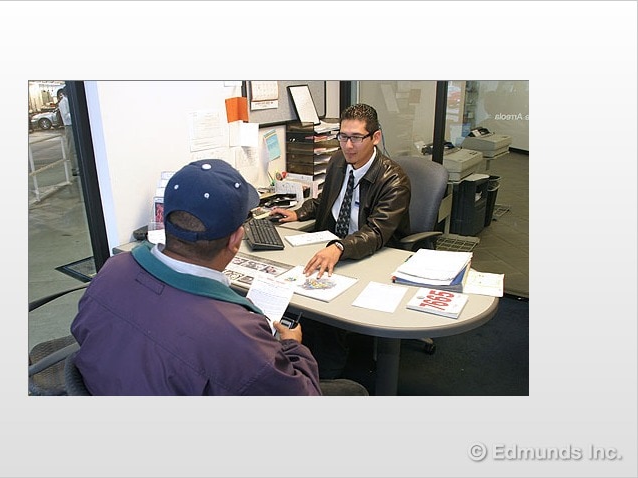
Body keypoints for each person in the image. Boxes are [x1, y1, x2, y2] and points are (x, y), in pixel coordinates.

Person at [70, 159, 365, 395]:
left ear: (165, 219)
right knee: (354, 391)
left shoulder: (113, 269)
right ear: (236, 240)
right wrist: (293, 346)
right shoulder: (236, 334)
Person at [271, 103, 412, 379]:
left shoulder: (394, 179)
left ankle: (330, 374)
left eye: (356, 138)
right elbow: (326, 200)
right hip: (336, 247)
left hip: (375, 255)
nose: (348, 146)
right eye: (343, 136)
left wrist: (339, 247)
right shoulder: (338, 161)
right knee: (299, 295)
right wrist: (298, 212)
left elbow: (377, 231)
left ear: (376, 137)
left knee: (328, 316)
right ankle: (307, 353)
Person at [57, 88, 79, 176]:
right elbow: (66, 116)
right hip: (69, 126)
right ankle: (75, 168)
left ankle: (77, 167)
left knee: (75, 148)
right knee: (72, 148)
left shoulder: (68, 100)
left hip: (73, 126)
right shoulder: (63, 102)